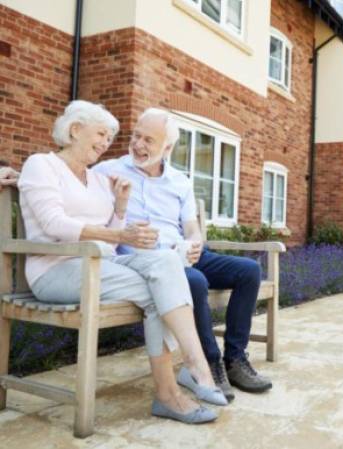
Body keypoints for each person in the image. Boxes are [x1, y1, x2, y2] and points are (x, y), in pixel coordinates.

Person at [17, 100, 226, 425]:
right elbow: (53, 224)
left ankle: (192, 368)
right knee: (160, 289)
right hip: (55, 270)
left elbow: (111, 237)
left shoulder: (99, 179)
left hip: (100, 267)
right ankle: (183, 382)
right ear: (75, 130)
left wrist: (121, 207)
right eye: (101, 134)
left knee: (166, 263)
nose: (106, 144)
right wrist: (121, 236)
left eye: (109, 138)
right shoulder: (41, 165)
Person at [94, 108, 272, 402]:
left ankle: (235, 360)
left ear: (167, 147)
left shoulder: (179, 181)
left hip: (182, 253)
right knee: (196, 281)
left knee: (248, 270)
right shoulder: (107, 171)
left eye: (148, 140)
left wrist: (195, 242)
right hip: (148, 262)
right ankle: (209, 363)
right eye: (136, 136)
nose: (138, 145)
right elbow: (69, 177)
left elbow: (191, 227)